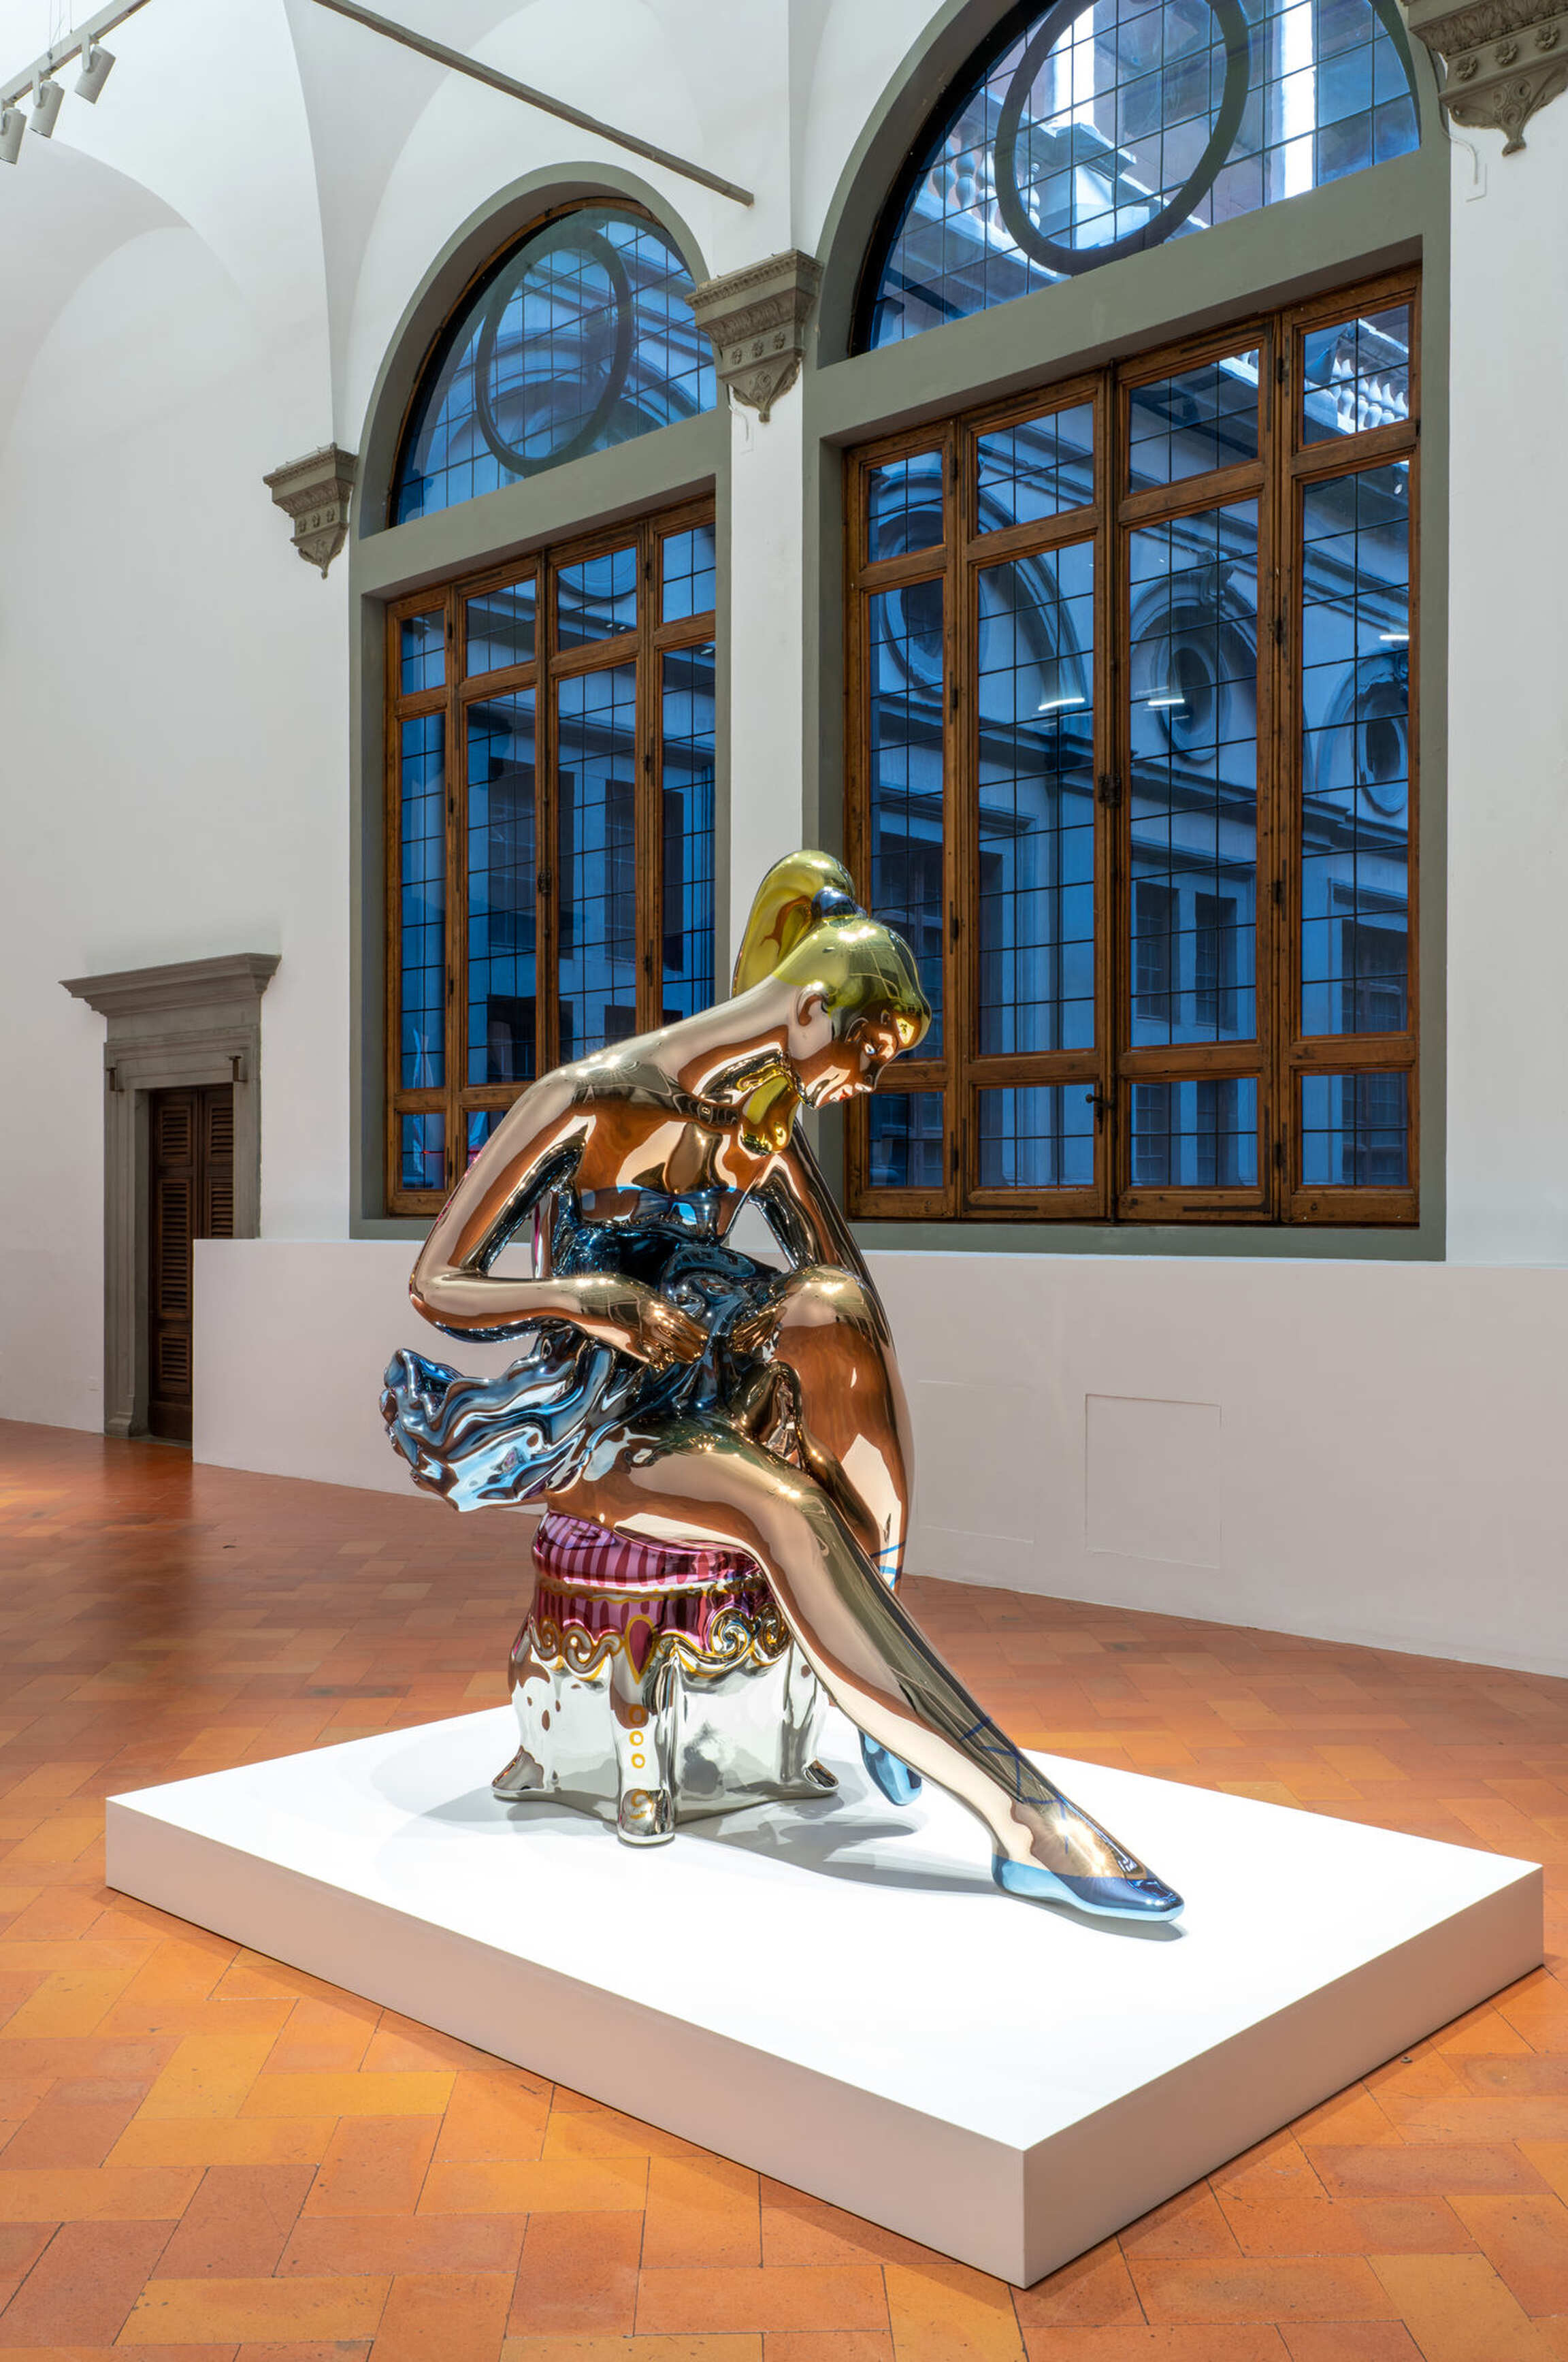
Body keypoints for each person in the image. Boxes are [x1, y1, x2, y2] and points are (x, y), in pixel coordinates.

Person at [395, 852, 1182, 1921]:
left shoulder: (755, 1129)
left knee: (834, 1309)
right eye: (869, 1052)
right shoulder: (585, 1098)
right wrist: (591, 1299)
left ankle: (886, 1639)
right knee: (788, 1512)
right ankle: (1024, 1818)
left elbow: (847, 1297)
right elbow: (437, 1282)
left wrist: (775, 1295)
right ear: (810, 1009)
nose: (868, 1083)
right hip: (603, 1424)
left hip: (711, 1390)